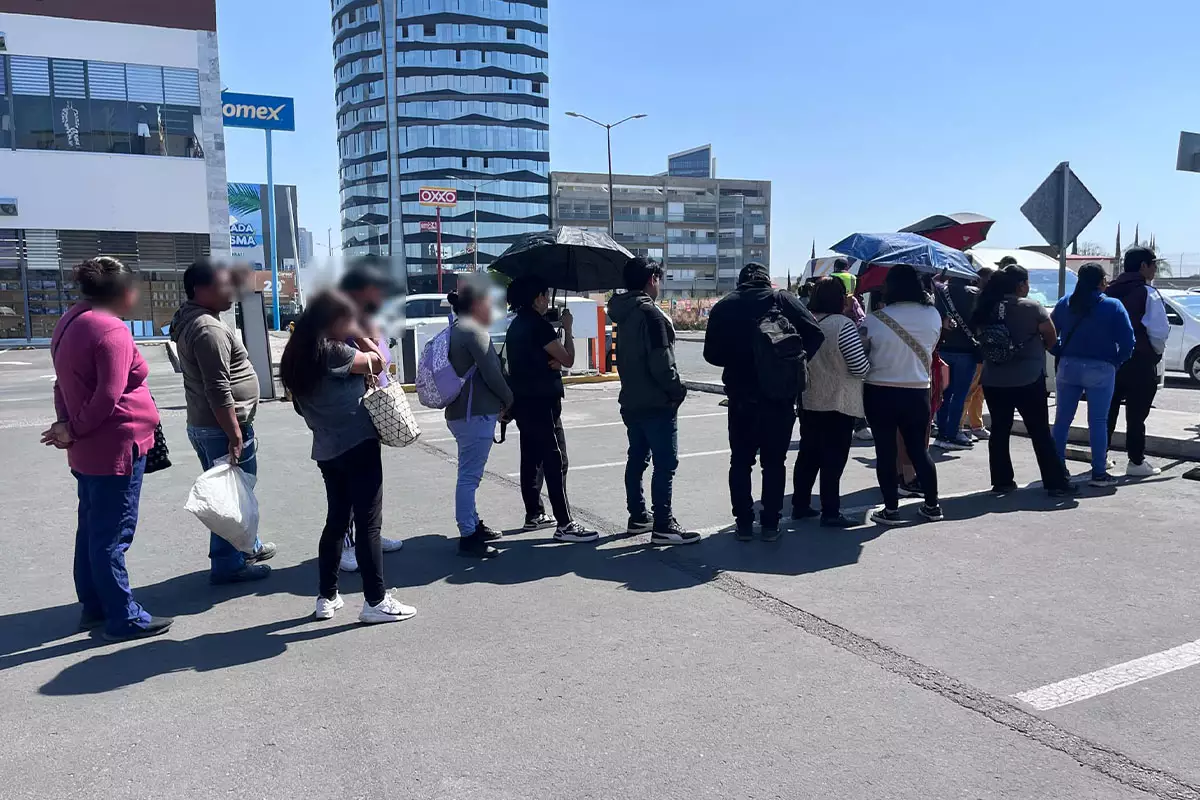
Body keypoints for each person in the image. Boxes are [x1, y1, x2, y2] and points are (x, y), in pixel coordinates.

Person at [44, 258, 173, 641]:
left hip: (89, 447)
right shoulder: (110, 331)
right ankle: (123, 616)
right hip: (115, 445)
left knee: (92, 531)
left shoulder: (69, 321)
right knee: (112, 536)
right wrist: (74, 428)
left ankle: (95, 607)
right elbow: (108, 397)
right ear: (120, 292)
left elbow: (61, 385)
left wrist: (67, 426)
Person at [280, 290, 416, 624]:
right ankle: (375, 600)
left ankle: (326, 597)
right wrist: (361, 336)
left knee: (337, 521)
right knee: (369, 522)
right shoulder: (333, 350)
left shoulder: (297, 353)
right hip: (357, 443)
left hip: (326, 448)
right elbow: (378, 362)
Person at [170, 260, 275, 584]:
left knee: (236, 491)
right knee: (228, 498)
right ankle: (228, 564)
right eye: (223, 285)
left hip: (210, 425)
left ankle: (248, 546)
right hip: (220, 428)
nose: (231, 291)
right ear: (200, 290)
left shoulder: (196, 319)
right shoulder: (208, 329)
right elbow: (217, 388)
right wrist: (234, 434)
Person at [703, 262, 824, 541]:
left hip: (741, 396)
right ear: (766, 281)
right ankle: (770, 524)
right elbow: (815, 333)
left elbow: (711, 354)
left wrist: (739, 357)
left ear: (741, 282)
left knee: (741, 461)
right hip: (779, 395)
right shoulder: (782, 299)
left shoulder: (725, 306)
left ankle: (744, 524)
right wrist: (794, 361)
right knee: (774, 462)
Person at [607, 258, 700, 545]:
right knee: (665, 463)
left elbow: (619, 358)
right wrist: (677, 391)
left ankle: (638, 515)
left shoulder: (621, 315)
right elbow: (662, 362)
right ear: (652, 280)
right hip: (656, 402)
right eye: (659, 279)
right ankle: (663, 524)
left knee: (637, 458)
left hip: (631, 399)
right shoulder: (652, 315)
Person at [504, 276, 597, 542]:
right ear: (536, 298)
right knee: (556, 459)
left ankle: (534, 513)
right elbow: (567, 358)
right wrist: (568, 328)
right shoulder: (539, 326)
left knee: (531, 457)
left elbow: (535, 359)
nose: (547, 300)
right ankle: (565, 523)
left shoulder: (516, 326)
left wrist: (551, 359)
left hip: (523, 401)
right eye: (544, 295)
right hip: (543, 401)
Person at [970, 264, 1075, 497]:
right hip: (1028, 379)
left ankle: (1002, 481)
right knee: (1039, 432)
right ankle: (1055, 482)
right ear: (1020, 285)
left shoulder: (986, 307)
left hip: (994, 380)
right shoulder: (1031, 307)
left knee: (999, 431)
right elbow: (1051, 337)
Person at [861, 264, 943, 524]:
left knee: (886, 452)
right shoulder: (933, 315)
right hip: (918, 390)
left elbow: (862, 354)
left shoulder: (874, 319)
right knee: (919, 450)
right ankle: (932, 505)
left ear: (891, 287)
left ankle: (891, 509)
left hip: (880, 390)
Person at [336, 259, 405, 571]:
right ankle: (348, 544)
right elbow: (374, 360)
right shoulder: (345, 319)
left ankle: (370, 534)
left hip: (373, 408)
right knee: (351, 483)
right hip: (351, 409)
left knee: (369, 484)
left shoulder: (367, 317)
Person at [791, 277, 870, 528]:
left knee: (808, 455)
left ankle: (800, 505)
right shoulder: (843, 325)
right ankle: (831, 511)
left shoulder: (805, 323)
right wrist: (866, 349)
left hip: (810, 399)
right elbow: (859, 368)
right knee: (834, 459)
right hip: (839, 401)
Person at [1050, 262, 1135, 488]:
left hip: (1068, 365)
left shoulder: (1065, 303)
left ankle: (1056, 468)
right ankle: (1099, 472)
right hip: (1101, 367)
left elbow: (1048, 333)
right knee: (1098, 421)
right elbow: (1128, 342)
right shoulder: (1112, 306)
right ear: (1101, 281)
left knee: (1062, 420)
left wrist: (1058, 351)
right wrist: (1116, 363)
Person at [445, 278, 513, 558]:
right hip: (474, 413)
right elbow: (492, 373)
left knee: (468, 473)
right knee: (469, 477)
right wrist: (510, 400)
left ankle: (473, 523)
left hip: (460, 413)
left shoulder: (455, 329)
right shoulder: (474, 331)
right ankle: (468, 535)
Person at [1106, 247, 1170, 477]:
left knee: (1106, 410)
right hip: (1138, 360)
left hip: (1109, 361)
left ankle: (1101, 457)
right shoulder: (1147, 293)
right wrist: (1155, 355)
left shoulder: (1108, 291)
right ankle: (1136, 461)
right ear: (1143, 266)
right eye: (1153, 264)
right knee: (1136, 414)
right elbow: (1159, 332)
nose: (1155, 269)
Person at [932, 275, 981, 451]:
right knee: (960, 395)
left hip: (945, 348)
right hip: (967, 350)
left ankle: (942, 433)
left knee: (944, 393)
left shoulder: (940, 292)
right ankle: (953, 433)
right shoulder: (974, 294)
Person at [960, 266, 995, 439]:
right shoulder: (974, 298)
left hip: (982, 351)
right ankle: (958, 425)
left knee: (978, 390)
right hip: (975, 350)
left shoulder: (984, 298)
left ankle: (976, 424)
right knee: (970, 389)